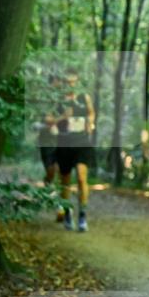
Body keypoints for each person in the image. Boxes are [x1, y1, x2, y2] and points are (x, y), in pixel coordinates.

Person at [54, 68, 95, 232]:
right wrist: (63, 117)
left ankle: (83, 216)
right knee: (65, 182)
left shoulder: (84, 98)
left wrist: (90, 123)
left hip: (82, 141)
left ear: (77, 82)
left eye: (73, 82)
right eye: (67, 82)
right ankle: (68, 213)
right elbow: (48, 120)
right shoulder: (58, 101)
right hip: (64, 143)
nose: (70, 84)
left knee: (81, 177)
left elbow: (92, 113)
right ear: (63, 83)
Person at [36, 74, 64, 221]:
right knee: (51, 172)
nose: (58, 86)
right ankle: (47, 183)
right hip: (46, 142)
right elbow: (47, 119)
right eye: (56, 84)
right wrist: (63, 118)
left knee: (60, 172)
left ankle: (60, 206)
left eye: (59, 84)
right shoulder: (45, 100)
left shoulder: (65, 101)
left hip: (61, 142)